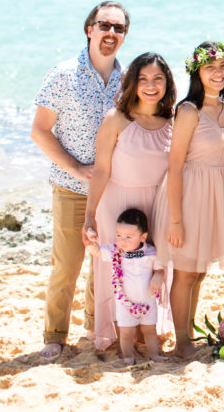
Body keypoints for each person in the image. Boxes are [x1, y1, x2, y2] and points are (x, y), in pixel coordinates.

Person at [32, 1, 129, 358]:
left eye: (119, 28)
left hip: (112, 191)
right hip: (71, 188)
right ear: (90, 29)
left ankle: (93, 325)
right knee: (66, 265)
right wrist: (75, 167)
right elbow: (40, 131)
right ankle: (55, 335)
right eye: (105, 25)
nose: (111, 33)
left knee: (103, 264)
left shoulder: (128, 80)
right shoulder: (63, 75)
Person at [154, 41, 224, 357]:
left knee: (200, 270)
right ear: (197, 72)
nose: (218, 73)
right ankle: (181, 343)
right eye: (210, 67)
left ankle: (187, 333)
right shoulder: (188, 111)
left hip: (216, 192)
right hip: (189, 193)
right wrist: (175, 220)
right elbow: (175, 165)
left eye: (223, 67)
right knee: (187, 271)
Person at [83, 52, 175, 352]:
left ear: (167, 83)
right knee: (117, 269)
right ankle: (118, 330)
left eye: (157, 79)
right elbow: (101, 170)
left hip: (156, 207)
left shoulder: (172, 121)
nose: (150, 86)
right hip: (118, 206)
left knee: (151, 266)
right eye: (143, 79)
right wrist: (89, 216)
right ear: (133, 83)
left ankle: (146, 326)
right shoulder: (116, 119)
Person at [97, 208, 165, 364]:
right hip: (125, 303)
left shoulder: (151, 252)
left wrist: (158, 276)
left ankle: (154, 355)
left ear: (143, 237)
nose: (122, 241)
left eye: (128, 237)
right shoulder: (115, 251)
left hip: (147, 301)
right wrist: (90, 241)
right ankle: (128, 357)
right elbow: (97, 251)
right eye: (119, 235)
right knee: (126, 333)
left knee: (150, 331)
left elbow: (159, 269)